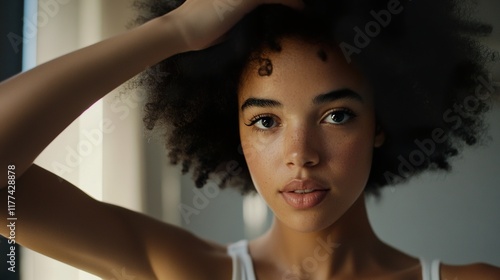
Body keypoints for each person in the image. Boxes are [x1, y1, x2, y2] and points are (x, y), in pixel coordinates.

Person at [0, 0, 499, 279]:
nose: (301, 154)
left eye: (336, 114)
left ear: (381, 122)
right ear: (231, 129)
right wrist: (176, 30)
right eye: (265, 121)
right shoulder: (187, 273)